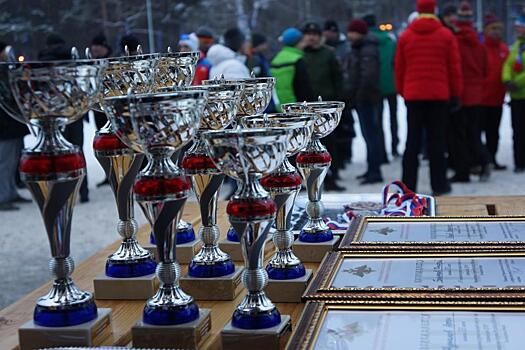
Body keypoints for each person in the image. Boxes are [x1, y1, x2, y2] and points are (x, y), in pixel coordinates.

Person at [395, 0, 462, 195]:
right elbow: (454, 68)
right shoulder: (446, 35)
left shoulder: (406, 36)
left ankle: (408, 186)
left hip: (413, 95)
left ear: (418, 11)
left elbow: (399, 68)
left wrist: (403, 90)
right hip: (439, 95)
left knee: (412, 142)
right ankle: (439, 185)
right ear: (434, 11)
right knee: (437, 141)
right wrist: (456, 93)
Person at [38, 34, 90, 202]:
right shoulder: (71, 57)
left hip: (53, 113)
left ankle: (60, 191)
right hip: (73, 111)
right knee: (77, 150)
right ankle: (83, 190)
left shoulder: (42, 61)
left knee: (57, 154)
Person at [449, 1, 490, 183]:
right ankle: (483, 160)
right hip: (476, 94)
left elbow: (453, 68)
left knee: (459, 134)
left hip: (460, 93)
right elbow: (486, 68)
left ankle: (463, 170)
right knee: (474, 132)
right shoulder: (479, 43)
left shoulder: (455, 41)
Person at [302, 22, 345, 191]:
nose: (311, 37)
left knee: (329, 143)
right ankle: (307, 177)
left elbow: (338, 79)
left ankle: (331, 176)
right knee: (305, 144)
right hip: (305, 106)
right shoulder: (300, 55)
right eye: (308, 33)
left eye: (314, 33)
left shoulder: (328, 54)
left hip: (326, 106)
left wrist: (339, 102)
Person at [347, 19, 384, 185]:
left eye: (352, 32)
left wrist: (359, 95)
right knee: (369, 135)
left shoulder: (367, 49)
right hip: (364, 98)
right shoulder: (361, 47)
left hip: (367, 98)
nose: (349, 35)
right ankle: (372, 169)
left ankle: (374, 171)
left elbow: (368, 76)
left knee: (371, 135)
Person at [364, 14, 399, 159]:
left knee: (377, 121)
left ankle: (381, 153)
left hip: (376, 86)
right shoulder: (390, 41)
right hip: (392, 84)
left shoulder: (367, 43)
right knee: (394, 118)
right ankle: (395, 148)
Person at [0, 43, 30, 211]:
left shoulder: (6, 70)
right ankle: (3, 196)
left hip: (12, 124)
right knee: (4, 162)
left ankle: (10, 192)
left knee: (12, 162)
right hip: (5, 126)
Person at [323, 20, 355, 166]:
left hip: (344, 91)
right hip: (331, 91)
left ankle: (346, 155)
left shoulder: (345, 47)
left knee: (346, 124)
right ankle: (338, 158)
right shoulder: (324, 48)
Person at [481, 14, 509, 171]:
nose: (496, 32)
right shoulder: (481, 48)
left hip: (497, 99)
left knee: (494, 132)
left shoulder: (504, 48)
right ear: (486, 31)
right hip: (481, 99)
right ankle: (482, 159)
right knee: (479, 132)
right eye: (493, 29)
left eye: (498, 29)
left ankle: (492, 158)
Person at [270, 28, 315, 110]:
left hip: (280, 107)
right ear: (298, 42)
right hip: (297, 108)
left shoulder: (275, 60)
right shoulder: (297, 60)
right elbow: (305, 88)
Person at [502, 14, 525, 173]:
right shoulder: (517, 44)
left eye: (520, 26)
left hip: (522, 91)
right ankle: (519, 162)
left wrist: (518, 82)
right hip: (517, 97)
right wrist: (507, 79)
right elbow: (508, 64)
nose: (517, 29)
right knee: (517, 131)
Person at [90, 34, 112, 130]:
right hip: (97, 104)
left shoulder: (112, 62)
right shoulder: (92, 64)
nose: (95, 52)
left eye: (97, 50)